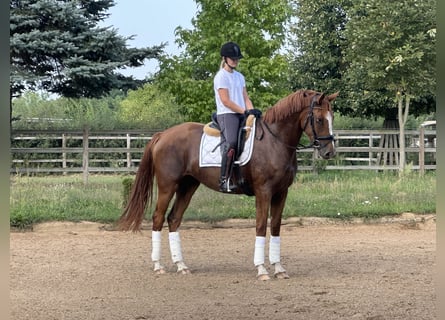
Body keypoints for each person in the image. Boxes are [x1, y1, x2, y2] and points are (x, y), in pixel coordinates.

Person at [213, 41, 261, 192]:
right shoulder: (221, 76)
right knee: (232, 142)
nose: (235, 60)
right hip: (227, 114)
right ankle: (224, 180)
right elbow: (226, 101)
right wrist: (244, 111)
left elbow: (246, 98)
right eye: (232, 58)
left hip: (241, 113)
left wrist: (252, 111)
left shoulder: (240, 76)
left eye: (237, 58)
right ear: (225, 58)